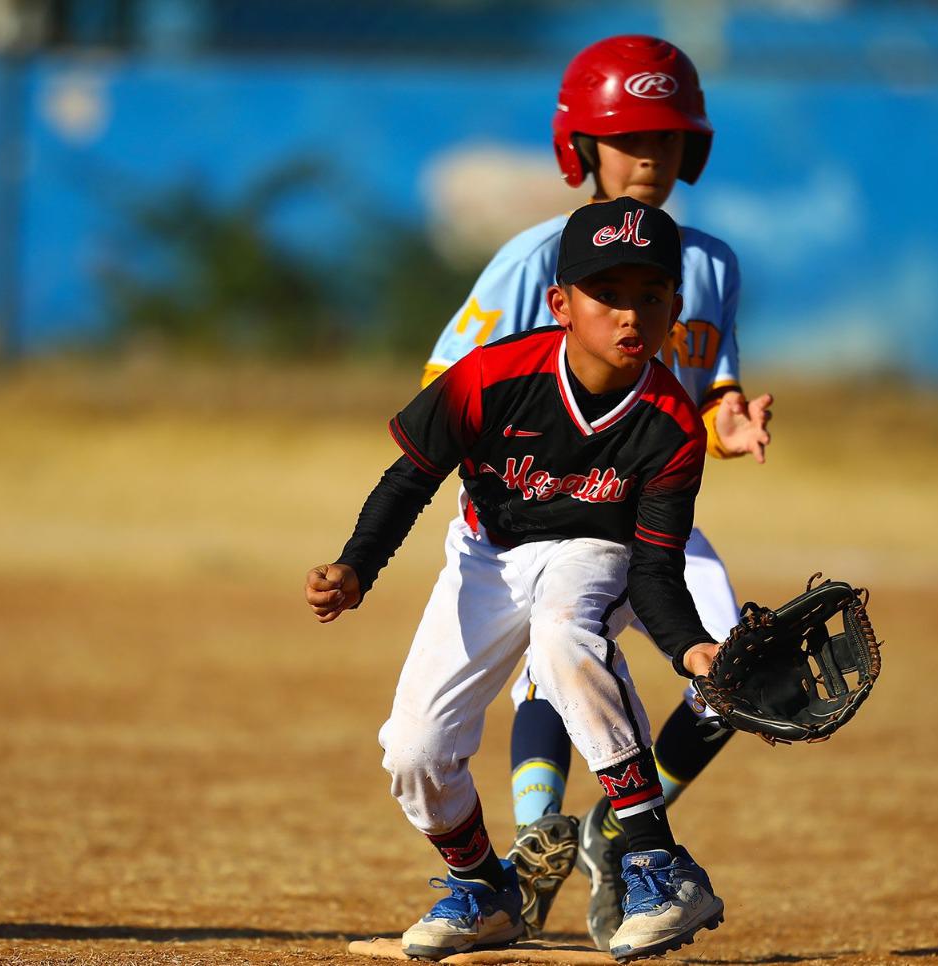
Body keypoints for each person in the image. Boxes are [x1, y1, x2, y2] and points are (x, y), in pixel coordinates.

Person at [419, 35, 772, 949]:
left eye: (668, 137)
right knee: (559, 645)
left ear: (694, 150)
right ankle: (540, 828)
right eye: (629, 137)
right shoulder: (541, 256)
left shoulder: (713, 265)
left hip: (656, 509)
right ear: (580, 148)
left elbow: (708, 381)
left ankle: (609, 830)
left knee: (734, 668)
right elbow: (449, 374)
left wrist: (729, 420)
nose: (650, 156)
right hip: (553, 510)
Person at [305, 198, 726, 962]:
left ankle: (660, 867)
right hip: (485, 554)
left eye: (652, 295)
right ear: (560, 303)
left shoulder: (670, 424)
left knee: (567, 636)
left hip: (595, 551)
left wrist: (692, 649)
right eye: (608, 293)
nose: (631, 313)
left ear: (676, 308)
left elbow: (657, 568)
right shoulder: (490, 379)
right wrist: (356, 566)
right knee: (413, 751)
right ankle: (484, 892)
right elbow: (409, 479)